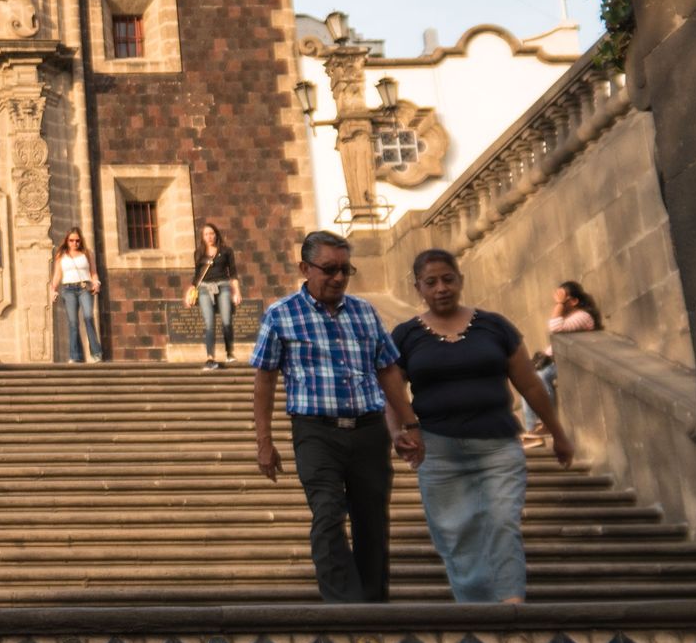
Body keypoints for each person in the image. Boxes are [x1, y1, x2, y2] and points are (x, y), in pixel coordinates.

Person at [249, 230, 421, 603]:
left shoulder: (364, 313)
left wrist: (409, 424)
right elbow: (264, 380)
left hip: (368, 429)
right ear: (304, 268)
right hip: (315, 432)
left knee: (371, 521)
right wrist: (264, 441)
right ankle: (345, 607)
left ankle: (373, 607)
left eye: (346, 270)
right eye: (329, 269)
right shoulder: (281, 315)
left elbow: (388, 370)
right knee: (327, 515)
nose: (339, 278)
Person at [393, 249, 574, 604]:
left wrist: (558, 433)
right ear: (418, 288)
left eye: (448, 279)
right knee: (455, 533)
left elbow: (531, 384)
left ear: (460, 280)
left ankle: (510, 606)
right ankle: (476, 613)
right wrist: (400, 431)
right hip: (439, 451)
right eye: (431, 282)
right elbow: (391, 393)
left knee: (503, 524)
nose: (441, 288)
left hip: (498, 447)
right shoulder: (405, 336)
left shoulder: (495, 326)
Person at [529, 281, 603, 440]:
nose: (557, 302)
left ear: (574, 301)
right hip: (554, 361)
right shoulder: (569, 317)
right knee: (525, 381)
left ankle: (547, 423)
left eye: (563, 298)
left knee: (541, 378)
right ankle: (533, 430)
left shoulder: (583, 316)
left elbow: (555, 327)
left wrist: (559, 304)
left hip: (570, 363)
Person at [185, 222, 244, 370]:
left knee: (226, 321)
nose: (209, 237)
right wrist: (189, 293)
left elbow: (233, 273)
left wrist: (236, 292)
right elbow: (197, 276)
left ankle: (229, 352)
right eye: (206, 234)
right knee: (209, 323)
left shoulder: (226, 251)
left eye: (211, 233)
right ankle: (210, 358)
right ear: (202, 237)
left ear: (216, 234)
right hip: (204, 289)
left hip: (223, 286)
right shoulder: (199, 253)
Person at [49, 227, 104, 363]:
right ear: (67, 241)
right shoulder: (61, 255)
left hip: (84, 287)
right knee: (73, 323)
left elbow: (93, 272)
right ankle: (75, 356)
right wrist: (52, 290)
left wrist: (96, 283)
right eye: (72, 240)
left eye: (77, 241)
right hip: (68, 289)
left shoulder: (87, 253)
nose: (75, 243)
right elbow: (57, 276)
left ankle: (96, 353)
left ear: (81, 241)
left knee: (88, 317)